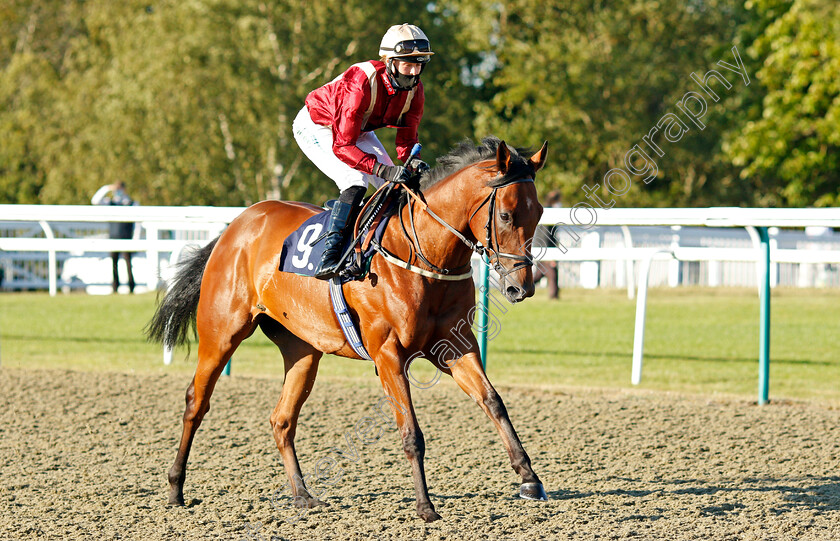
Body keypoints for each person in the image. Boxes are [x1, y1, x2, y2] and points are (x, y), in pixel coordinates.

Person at [293, 23, 433, 280]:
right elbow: (342, 146)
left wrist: (414, 164)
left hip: (358, 131)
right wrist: (382, 168)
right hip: (318, 127)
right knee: (355, 181)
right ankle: (330, 255)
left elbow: (406, 141)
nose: (413, 73)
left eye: (419, 64)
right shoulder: (361, 81)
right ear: (389, 61)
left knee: (398, 187)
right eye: (407, 64)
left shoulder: (416, 90)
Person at [91, 182, 138, 293]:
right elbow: (95, 201)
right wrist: (106, 188)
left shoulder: (131, 203)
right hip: (113, 237)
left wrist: (136, 237)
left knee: (128, 263)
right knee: (114, 263)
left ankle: (131, 286)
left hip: (127, 237)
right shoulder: (111, 203)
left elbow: (137, 224)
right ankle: (115, 286)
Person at [533, 190, 562, 300]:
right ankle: (554, 296)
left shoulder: (546, 210)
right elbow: (545, 235)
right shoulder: (549, 212)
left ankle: (523, 289)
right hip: (544, 248)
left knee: (540, 273)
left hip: (542, 246)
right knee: (552, 273)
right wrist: (549, 255)